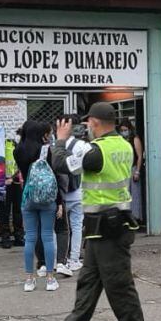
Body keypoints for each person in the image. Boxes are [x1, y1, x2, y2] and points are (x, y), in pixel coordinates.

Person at [37, 103, 149, 321]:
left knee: (120, 288)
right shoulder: (122, 145)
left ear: (96, 123)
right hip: (105, 228)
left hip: (109, 229)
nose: (86, 127)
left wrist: (61, 140)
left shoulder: (98, 152)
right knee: (87, 285)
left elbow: (60, 163)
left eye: (88, 124)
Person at [15, 120, 61, 291]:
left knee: (30, 237)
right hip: (47, 198)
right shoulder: (45, 149)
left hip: (28, 197)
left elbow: (23, 172)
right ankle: (50, 279)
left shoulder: (17, 151)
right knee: (48, 236)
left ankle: (29, 280)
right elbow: (53, 175)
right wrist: (59, 201)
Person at [59, 113, 90, 273]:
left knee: (58, 229)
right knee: (77, 226)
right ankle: (74, 259)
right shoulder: (82, 145)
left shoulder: (55, 143)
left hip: (60, 195)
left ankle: (59, 261)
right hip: (78, 192)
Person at [0, 136, 24, 249]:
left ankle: (18, 237)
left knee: (17, 210)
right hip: (3, 184)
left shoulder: (17, 147)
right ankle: (5, 237)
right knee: (5, 211)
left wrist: (12, 178)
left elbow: (20, 165)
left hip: (15, 183)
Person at [118, 119, 144, 227]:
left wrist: (137, 171)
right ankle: (125, 218)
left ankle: (135, 217)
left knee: (134, 194)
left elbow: (139, 156)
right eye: (122, 130)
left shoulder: (135, 139)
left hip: (132, 168)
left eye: (125, 130)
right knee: (124, 195)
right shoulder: (120, 140)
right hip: (122, 170)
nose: (124, 132)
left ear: (129, 129)